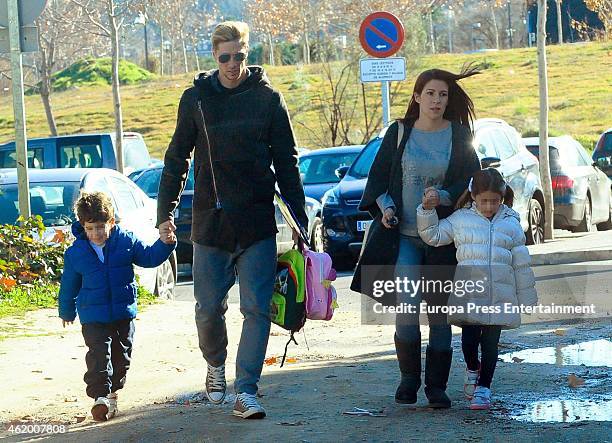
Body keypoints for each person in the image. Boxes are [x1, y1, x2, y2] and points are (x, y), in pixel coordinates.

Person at [156, 21, 307, 419]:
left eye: (240, 55)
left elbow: (287, 163)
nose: (233, 64)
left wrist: (298, 217)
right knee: (208, 309)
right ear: (214, 56)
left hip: (256, 222)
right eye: (225, 57)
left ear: (247, 53)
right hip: (210, 223)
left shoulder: (268, 100)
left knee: (257, 308)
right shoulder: (196, 100)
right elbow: (176, 161)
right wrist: (165, 214)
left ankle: (247, 391)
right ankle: (215, 364)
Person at [351, 66, 482, 408]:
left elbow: (472, 184)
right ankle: (409, 379)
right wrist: (386, 208)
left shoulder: (459, 135)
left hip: (443, 240)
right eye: (430, 94)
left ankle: (436, 387)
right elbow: (378, 181)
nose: (437, 100)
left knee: (439, 315)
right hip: (404, 239)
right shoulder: (399, 132)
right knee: (407, 309)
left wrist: (446, 195)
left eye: (443, 95)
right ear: (417, 97)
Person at [417, 168, 537, 409]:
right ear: (473, 196)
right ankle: (473, 367)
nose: (489, 206)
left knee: (491, 344)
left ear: (502, 198)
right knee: (470, 341)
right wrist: (427, 211)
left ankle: (484, 389)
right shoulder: (461, 219)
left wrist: (526, 296)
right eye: (484, 200)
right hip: (470, 293)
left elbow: (521, 264)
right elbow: (433, 235)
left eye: (495, 201)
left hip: (500, 295)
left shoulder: (511, 224)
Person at [58, 191, 176, 421]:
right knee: (98, 356)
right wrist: (66, 310)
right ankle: (99, 397)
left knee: (121, 358)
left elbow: (150, 257)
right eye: (90, 228)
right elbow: (69, 285)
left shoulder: (126, 242)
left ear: (111, 222)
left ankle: (112, 395)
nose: (96, 233)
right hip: (93, 315)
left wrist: (166, 243)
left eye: (101, 227)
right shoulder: (76, 253)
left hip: (123, 314)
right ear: (82, 225)